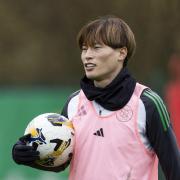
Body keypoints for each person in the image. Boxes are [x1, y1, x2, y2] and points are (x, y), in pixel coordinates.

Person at [12, 15, 180, 180]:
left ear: (121, 53)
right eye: (84, 49)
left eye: (96, 47)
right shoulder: (73, 103)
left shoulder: (147, 103)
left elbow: (174, 169)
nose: (87, 55)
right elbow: (62, 162)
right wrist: (28, 156)